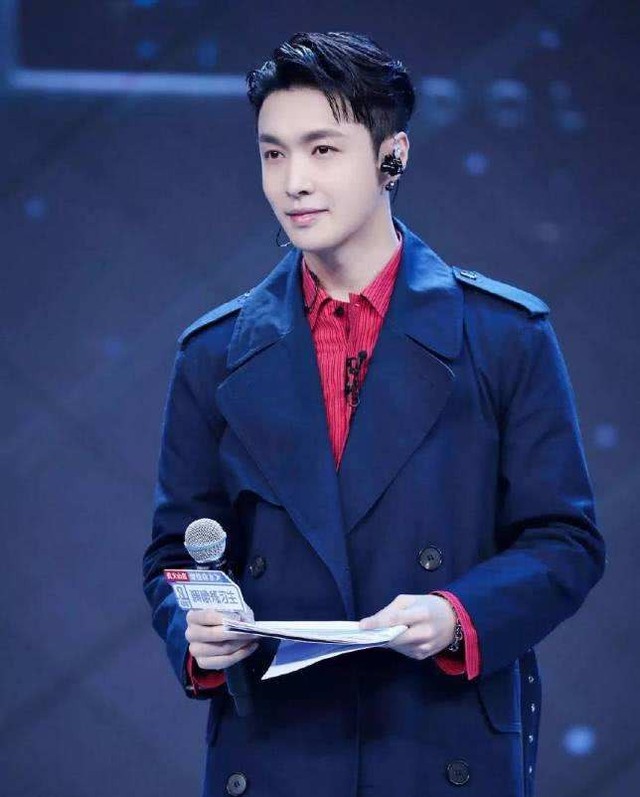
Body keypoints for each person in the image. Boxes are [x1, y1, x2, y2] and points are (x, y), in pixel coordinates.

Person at [142, 31, 606, 797]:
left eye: (323, 150)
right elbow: (178, 550)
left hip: (438, 738)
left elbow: (565, 540)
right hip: (277, 744)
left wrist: (458, 614)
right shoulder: (215, 352)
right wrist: (198, 629)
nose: (294, 181)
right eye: (273, 154)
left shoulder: (504, 335)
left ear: (393, 156)